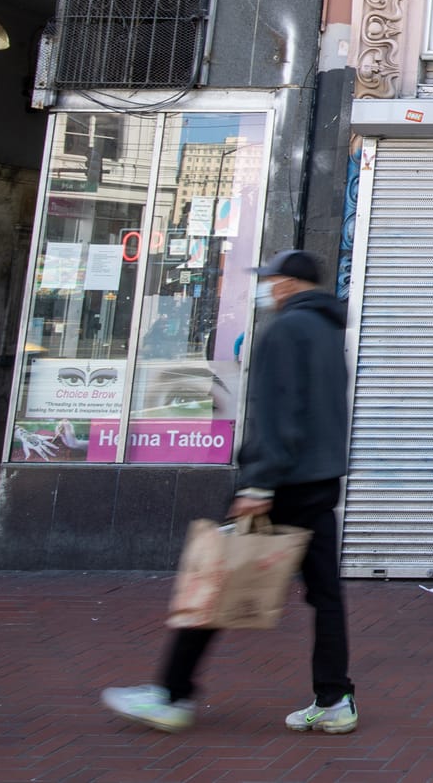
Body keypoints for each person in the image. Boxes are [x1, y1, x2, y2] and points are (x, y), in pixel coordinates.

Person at [102, 249, 355, 735]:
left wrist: (258, 483)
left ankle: (172, 695)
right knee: (326, 596)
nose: (267, 288)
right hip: (321, 481)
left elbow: (276, 414)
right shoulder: (328, 333)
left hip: (279, 483)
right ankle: (334, 697)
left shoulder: (284, 331)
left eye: (272, 279)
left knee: (213, 579)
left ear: (288, 284)